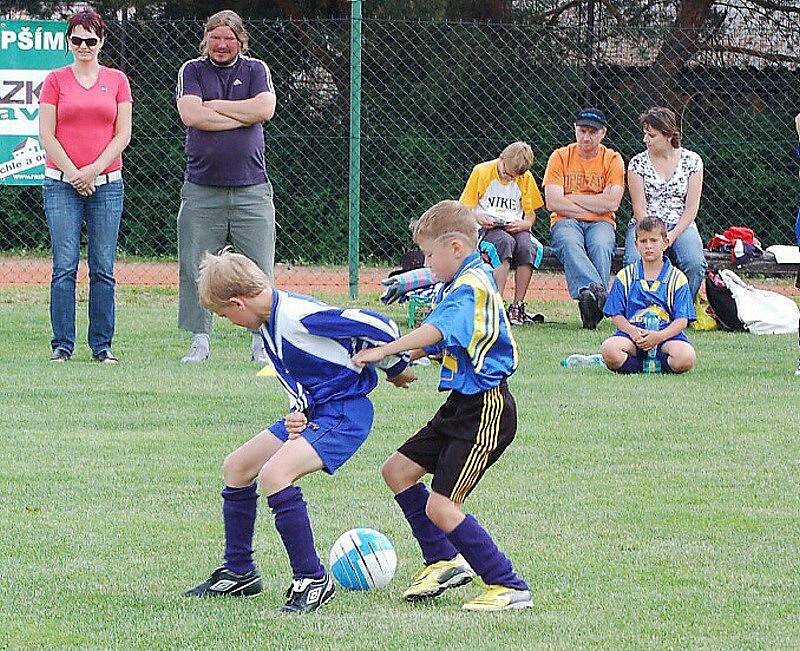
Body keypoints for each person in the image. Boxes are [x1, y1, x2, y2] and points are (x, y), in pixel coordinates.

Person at [184, 249, 415, 611]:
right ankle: (239, 571)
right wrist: (299, 411)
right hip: (318, 411)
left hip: (343, 414)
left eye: (222, 314)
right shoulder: (268, 323)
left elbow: (378, 326)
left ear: (238, 302)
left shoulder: (295, 316)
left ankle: (311, 579)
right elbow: (311, 370)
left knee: (276, 474)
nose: (227, 321)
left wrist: (395, 364)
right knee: (238, 466)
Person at [353, 200, 532, 612]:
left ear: (454, 248)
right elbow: (441, 339)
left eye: (430, 255)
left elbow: (435, 329)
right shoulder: (463, 278)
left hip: (486, 410)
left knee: (442, 504)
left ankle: (508, 584)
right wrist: (402, 361)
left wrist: (387, 349)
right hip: (460, 405)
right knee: (397, 471)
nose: (427, 263)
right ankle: (442, 560)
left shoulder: (471, 287)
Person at [175, 10, 277, 363]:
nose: (222, 44)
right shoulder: (192, 70)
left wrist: (216, 107)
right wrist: (240, 115)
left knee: (260, 268)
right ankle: (200, 340)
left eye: (229, 38)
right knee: (195, 266)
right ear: (206, 39)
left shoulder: (256, 69)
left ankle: (262, 341)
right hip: (201, 189)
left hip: (253, 188)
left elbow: (265, 108)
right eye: (215, 37)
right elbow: (191, 115)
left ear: (241, 40)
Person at [38, 9, 132, 364]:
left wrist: (92, 170)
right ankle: (62, 346)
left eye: (90, 40)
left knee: (103, 268)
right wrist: (75, 172)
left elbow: (122, 133)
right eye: (76, 39)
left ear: (102, 42)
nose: (84, 46)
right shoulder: (55, 80)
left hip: (107, 183)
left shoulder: (117, 80)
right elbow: (47, 133)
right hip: (61, 184)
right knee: (64, 265)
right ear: (68, 42)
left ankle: (102, 347)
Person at [543, 109, 625, 330]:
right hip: (565, 220)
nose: (586, 137)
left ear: (603, 134)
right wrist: (594, 204)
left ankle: (591, 308)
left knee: (601, 245)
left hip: (602, 222)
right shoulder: (560, 156)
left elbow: (612, 203)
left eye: (592, 132)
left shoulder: (613, 159)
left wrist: (571, 198)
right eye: (582, 131)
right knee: (569, 242)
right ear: (575, 130)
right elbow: (553, 202)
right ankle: (598, 291)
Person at [624, 106, 707, 300]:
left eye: (651, 135)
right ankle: (641, 308)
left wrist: (671, 235)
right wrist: (654, 237)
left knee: (695, 263)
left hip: (681, 224)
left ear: (668, 135)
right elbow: (639, 208)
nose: (645, 140)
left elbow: (691, 208)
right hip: (645, 224)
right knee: (634, 260)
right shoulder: (637, 163)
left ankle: (680, 308)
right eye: (645, 134)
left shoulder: (693, 161)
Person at [459, 141, 545, 325]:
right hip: (486, 228)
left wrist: (524, 224)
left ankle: (517, 306)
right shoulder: (482, 172)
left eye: (513, 177)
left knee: (527, 246)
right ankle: (495, 304)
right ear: (501, 158)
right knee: (504, 243)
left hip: (513, 226)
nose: (508, 178)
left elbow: (530, 215)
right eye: (506, 173)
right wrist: (478, 216)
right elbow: (465, 208)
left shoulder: (525, 178)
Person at [601, 217, 696, 374]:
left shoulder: (677, 278)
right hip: (632, 337)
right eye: (643, 241)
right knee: (609, 350)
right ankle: (638, 364)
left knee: (686, 357)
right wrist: (632, 331)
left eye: (654, 240)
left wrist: (659, 336)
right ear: (636, 244)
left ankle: (660, 362)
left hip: (665, 337)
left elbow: (682, 320)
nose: (649, 246)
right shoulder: (626, 276)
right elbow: (616, 314)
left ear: (665, 243)